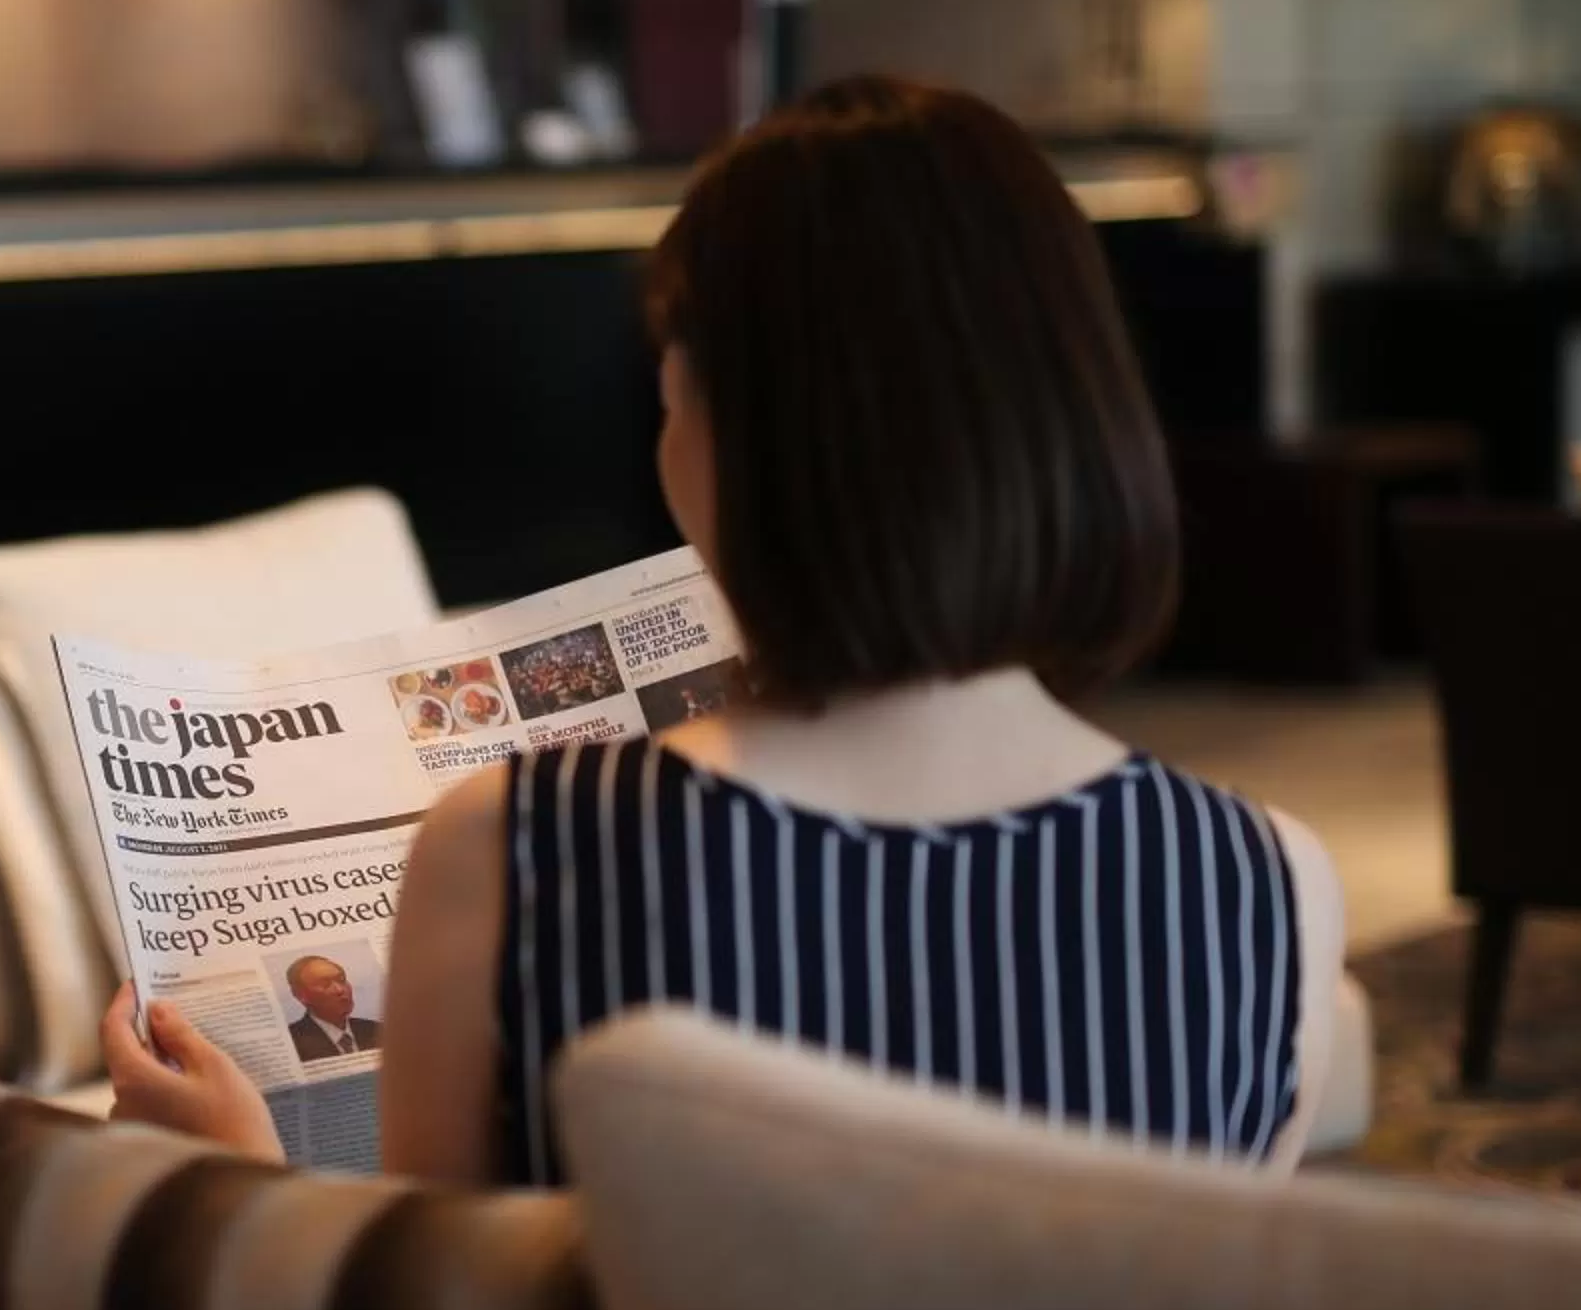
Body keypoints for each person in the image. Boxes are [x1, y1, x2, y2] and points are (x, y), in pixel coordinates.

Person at [103, 75, 1347, 1184]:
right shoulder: (1271, 882)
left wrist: (233, 1175)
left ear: (718, 430)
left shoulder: (523, 851)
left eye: (672, 391)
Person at [282, 956, 381, 1064]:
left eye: (342, 980)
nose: (340, 990)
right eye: (325, 984)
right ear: (300, 995)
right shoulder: (291, 1042)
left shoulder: (377, 1030)